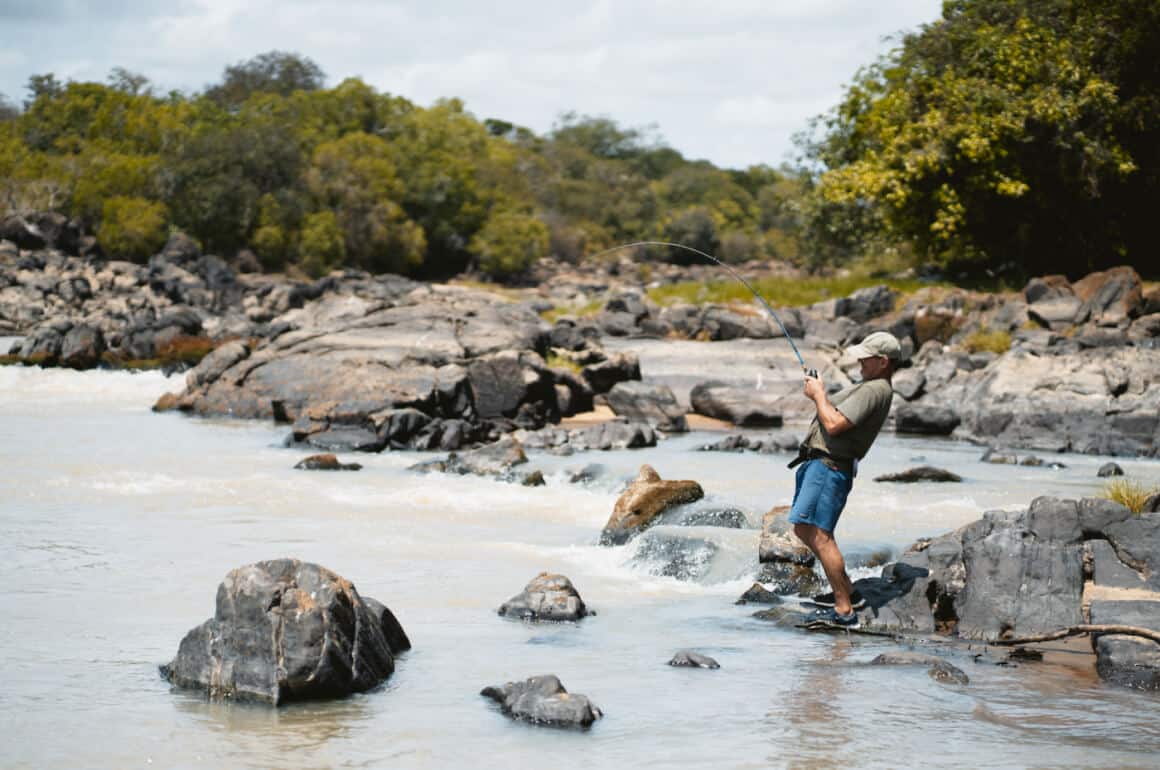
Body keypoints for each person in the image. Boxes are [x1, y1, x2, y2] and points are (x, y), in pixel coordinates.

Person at [787, 331, 901, 627]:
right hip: (823, 465)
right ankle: (849, 592)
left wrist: (818, 395)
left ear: (883, 361)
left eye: (866, 357)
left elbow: (835, 424)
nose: (860, 361)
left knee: (820, 537)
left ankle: (844, 610)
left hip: (829, 468)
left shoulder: (875, 389)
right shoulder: (872, 387)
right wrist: (819, 393)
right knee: (804, 529)